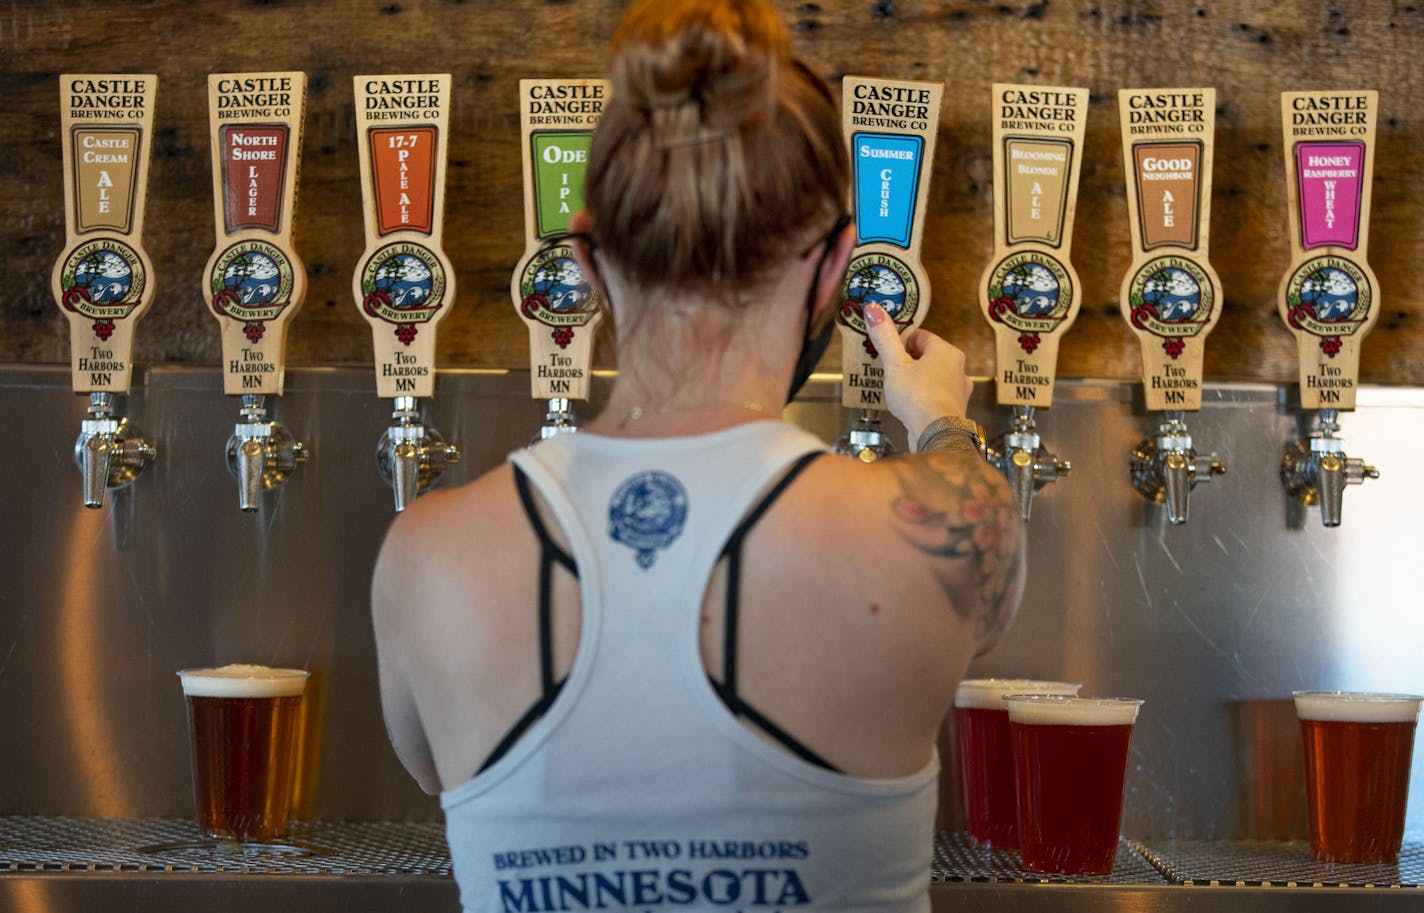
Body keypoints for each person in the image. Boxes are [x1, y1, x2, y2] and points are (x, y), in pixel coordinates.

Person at [371, 0, 1024, 909]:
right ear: (835, 266)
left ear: (587, 258)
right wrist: (937, 416)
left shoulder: (426, 558)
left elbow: (447, 774)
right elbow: (971, 482)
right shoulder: (939, 532)